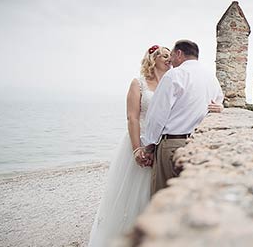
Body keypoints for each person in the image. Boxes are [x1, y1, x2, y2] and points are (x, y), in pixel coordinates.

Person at [88, 45, 172, 247]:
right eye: (165, 56)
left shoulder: (171, 84)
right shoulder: (139, 83)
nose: (170, 59)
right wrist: (137, 148)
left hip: (162, 144)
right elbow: (132, 117)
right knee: (135, 192)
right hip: (140, 140)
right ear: (153, 59)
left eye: (171, 56)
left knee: (154, 195)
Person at [138, 39, 224, 195]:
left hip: (172, 144)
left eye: (171, 55)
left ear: (179, 53)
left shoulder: (174, 75)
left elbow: (158, 114)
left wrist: (149, 145)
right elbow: (218, 104)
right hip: (199, 144)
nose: (170, 60)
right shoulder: (211, 78)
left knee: (163, 197)